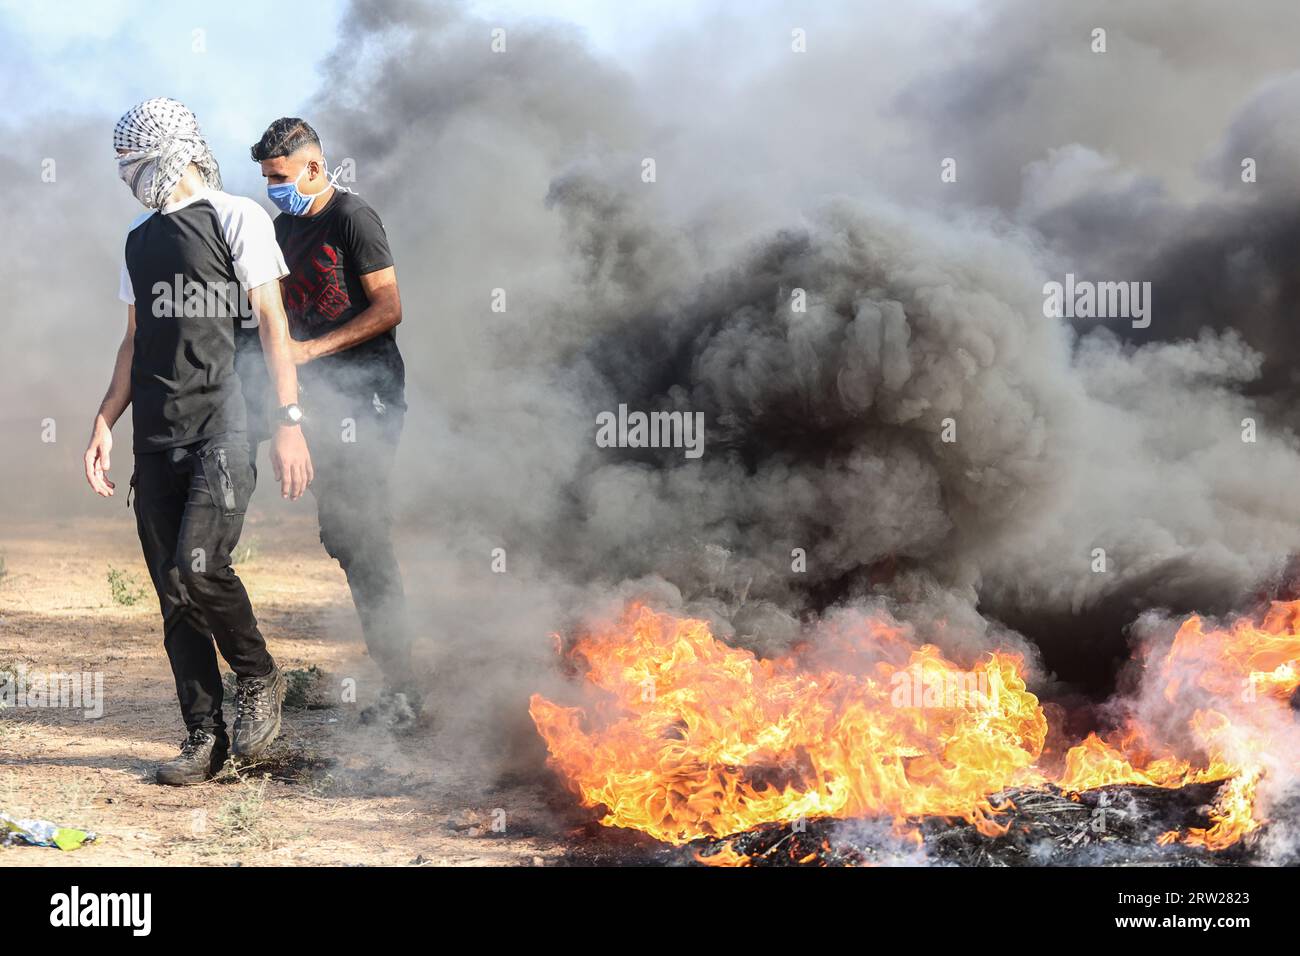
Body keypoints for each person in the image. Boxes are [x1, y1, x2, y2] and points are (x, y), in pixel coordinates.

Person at [84, 98, 313, 784]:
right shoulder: (137, 238)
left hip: (224, 423)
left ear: (173, 152)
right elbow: (133, 341)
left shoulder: (237, 216)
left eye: (136, 161)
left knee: (199, 566)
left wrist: (288, 423)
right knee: (173, 594)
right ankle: (203, 737)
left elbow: (272, 323)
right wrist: (103, 423)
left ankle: (258, 674)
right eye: (123, 165)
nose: (128, 175)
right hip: (156, 436)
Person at [250, 117, 417, 726]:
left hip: (368, 396)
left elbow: (390, 308)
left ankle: (403, 688)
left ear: (313, 167)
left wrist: (311, 352)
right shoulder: (282, 226)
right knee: (345, 537)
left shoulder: (353, 217)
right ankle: (398, 672)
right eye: (267, 178)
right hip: (316, 401)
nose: (273, 187)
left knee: (363, 535)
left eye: (279, 176)